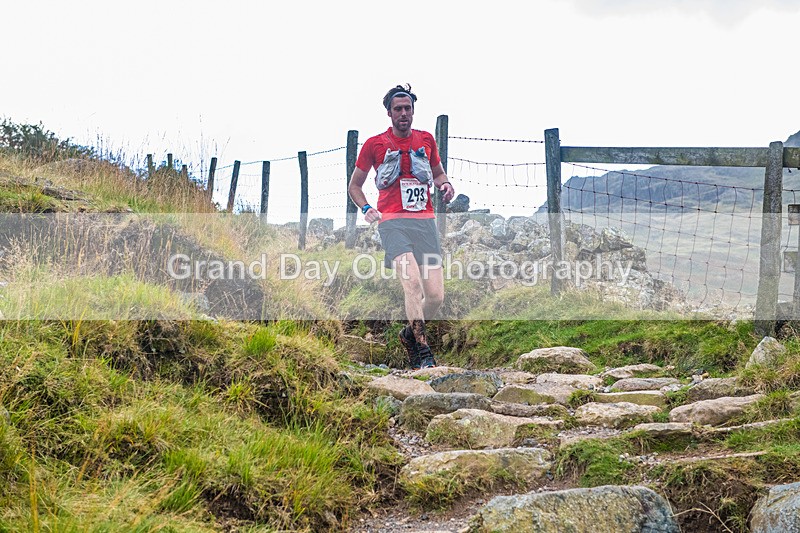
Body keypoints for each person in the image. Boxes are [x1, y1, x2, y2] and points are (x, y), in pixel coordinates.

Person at [348, 84, 455, 370]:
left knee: (435, 296)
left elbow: (438, 173)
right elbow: (354, 186)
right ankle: (422, 353)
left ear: (413, 111)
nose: (404, 113)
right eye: (398, 109)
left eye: (408, 108)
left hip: (425, 223)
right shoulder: (374, 144)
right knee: (412, 284)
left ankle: (409, 334)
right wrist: (367, 208)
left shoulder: (426, 140)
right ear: (389, 113)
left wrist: (445, 184)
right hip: (393, 223)